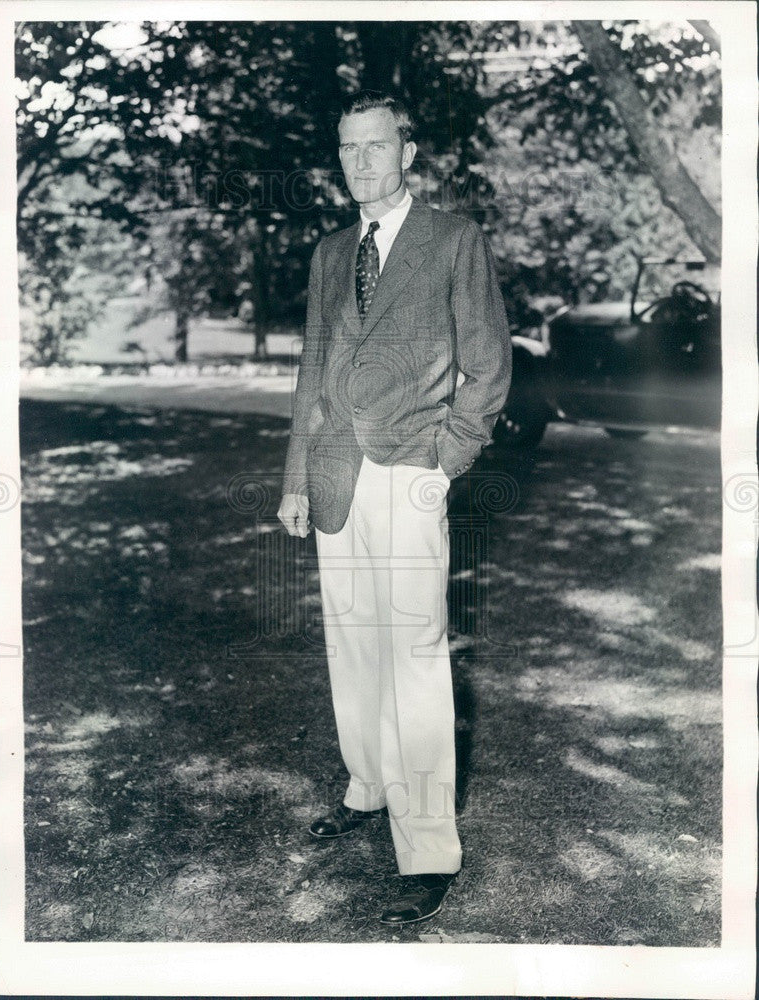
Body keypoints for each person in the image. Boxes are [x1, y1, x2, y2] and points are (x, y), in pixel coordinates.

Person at [278, 91, 511, 925]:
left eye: (377, 146)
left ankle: (427, 847)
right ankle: (367, 790)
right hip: (336, 474)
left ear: (407, 152)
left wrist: (445, 463)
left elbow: (487, 367)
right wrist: (296, 481)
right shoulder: (331, 251)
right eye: (348, 149)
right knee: (352, 644)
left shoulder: (452, 240)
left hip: (412, 471)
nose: (361, 162)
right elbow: (311, 374)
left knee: (413, 657)